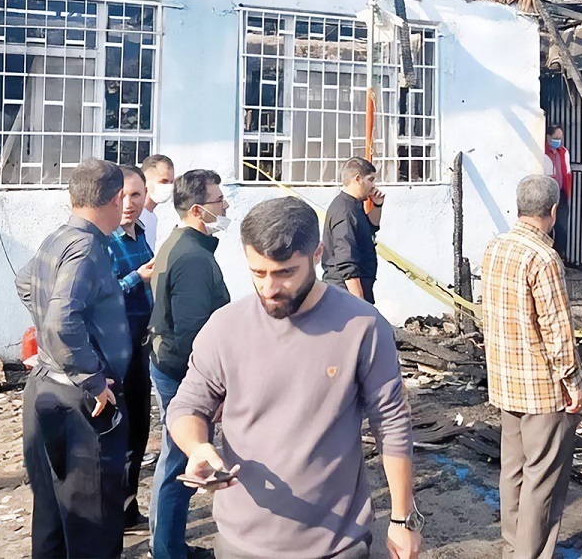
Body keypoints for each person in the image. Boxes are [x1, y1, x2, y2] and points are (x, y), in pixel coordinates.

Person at [167, 197, 422, 558]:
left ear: (317, 254)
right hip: (241, 542)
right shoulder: (224, 327)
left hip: (337, 544)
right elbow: (188, 405)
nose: (270, 288)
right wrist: (197, 448)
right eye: (258, 273)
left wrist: (402, 518)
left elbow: (392, 422)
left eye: (285, 272)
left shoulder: (363, 326)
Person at [16, 159, 131, 558]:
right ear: (117, 199)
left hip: (47, 387)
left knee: (51, 512)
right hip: (80, 402)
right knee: (91, 521)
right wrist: (92, 378)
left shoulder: (60, 237)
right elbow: (62, 321)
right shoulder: (86, 248)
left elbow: (25, 282)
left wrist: (50, 340)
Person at [482, 175, 582, 558]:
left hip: (506, 379)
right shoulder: (544, 258)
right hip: (542, 387)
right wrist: (573, 381)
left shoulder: (496, 247)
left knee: (513, 471)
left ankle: (513, 548)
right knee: (542, 480)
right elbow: (557, 329)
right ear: (553, 211)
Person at [148, 169, 233, 559]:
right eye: (219, 200)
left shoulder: (182, 243)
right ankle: (168, 550)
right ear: (198, 210)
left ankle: (169, 546)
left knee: (176, 458)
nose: (225, 206)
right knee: (181, 458)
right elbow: (194, 334)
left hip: (168, 362)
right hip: (181, 371)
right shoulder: (193, 258)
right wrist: (210, 392)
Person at [106, 164, 156, 531]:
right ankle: (110, 515)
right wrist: (136, 278)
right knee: (115, 434)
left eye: (136, 195)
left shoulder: (140, 234)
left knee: (139, 430)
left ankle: (128, 509)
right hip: (114, 352)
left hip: (141, 345)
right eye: (122, 195)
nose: (129, 203)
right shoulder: (104, 241)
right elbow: (102, 297)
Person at [322, 157, 386, 304]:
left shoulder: (353, 205)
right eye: (370, 180)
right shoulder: (344, 211)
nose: (373, 185)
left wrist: (377, 205)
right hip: (344, 296)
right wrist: (359, 304)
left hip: (352, 294)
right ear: (358, 179)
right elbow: (346, 261)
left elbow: (371, 227)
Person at [544, 124, 573, 261]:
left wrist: (567, 194)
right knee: (547, 227)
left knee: (562, 227)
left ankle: (560, 258)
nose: (558, 140)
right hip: (547, 195)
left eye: (560, 138)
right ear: (548, 137)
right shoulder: (543, 152)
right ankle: (547, 257)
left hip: (561, 194)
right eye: (555, 137)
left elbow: (568, 174)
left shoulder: (564, 152)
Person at [140, 153, 176, 252]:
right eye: (163, 181)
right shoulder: (132, 216)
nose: (169, 186)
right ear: (145, 181)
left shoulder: (152, 217)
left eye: (171, 182)